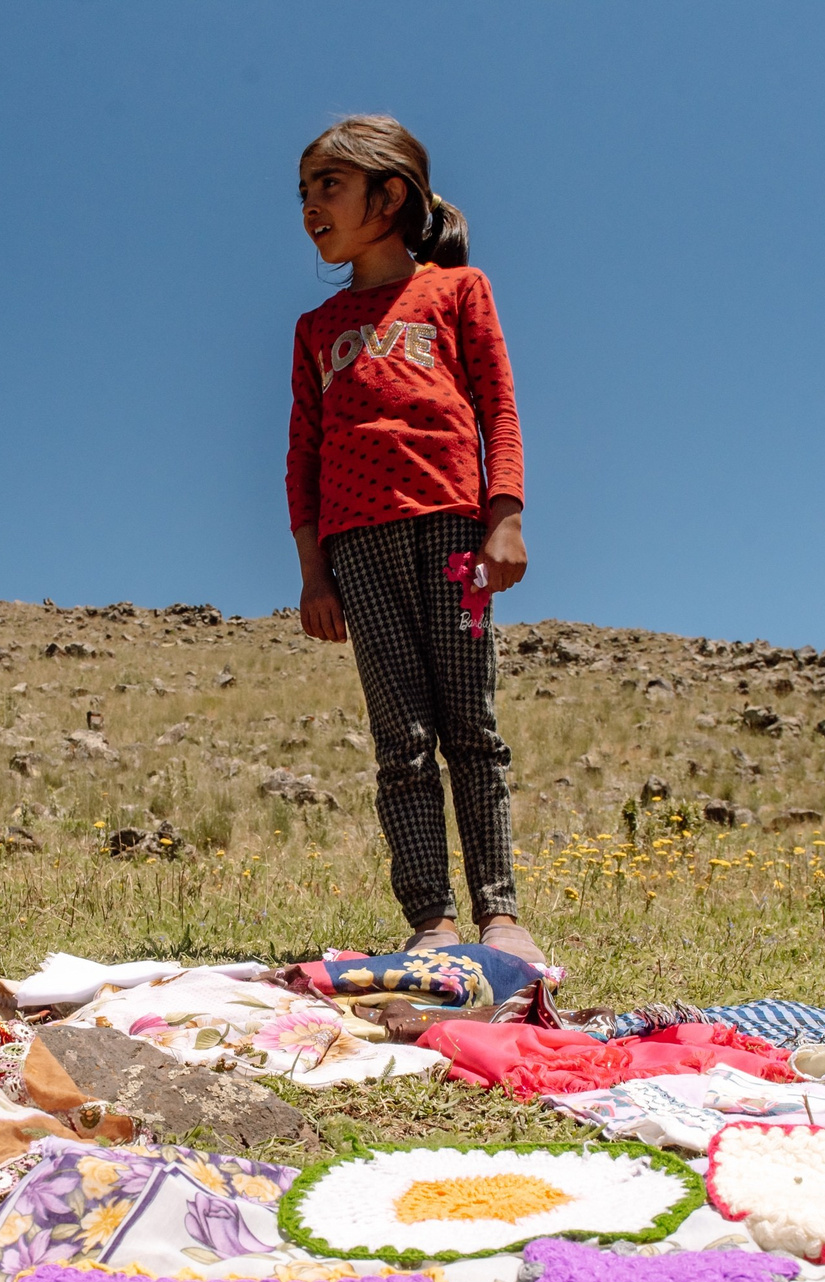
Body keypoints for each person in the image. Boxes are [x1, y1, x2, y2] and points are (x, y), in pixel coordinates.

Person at [287, 114, 541, 963]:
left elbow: (497, 405)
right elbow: (304, 454)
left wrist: (503, 514)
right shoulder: (316, 329)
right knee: (400, 739)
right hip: (357, 551)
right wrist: (313, 571)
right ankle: (429, 917)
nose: (311, 206)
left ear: (389, 194)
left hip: (454, 539)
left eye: (330, 185)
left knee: (470, 724)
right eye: (305, 192)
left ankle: (499, 914)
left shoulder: (458, 293)